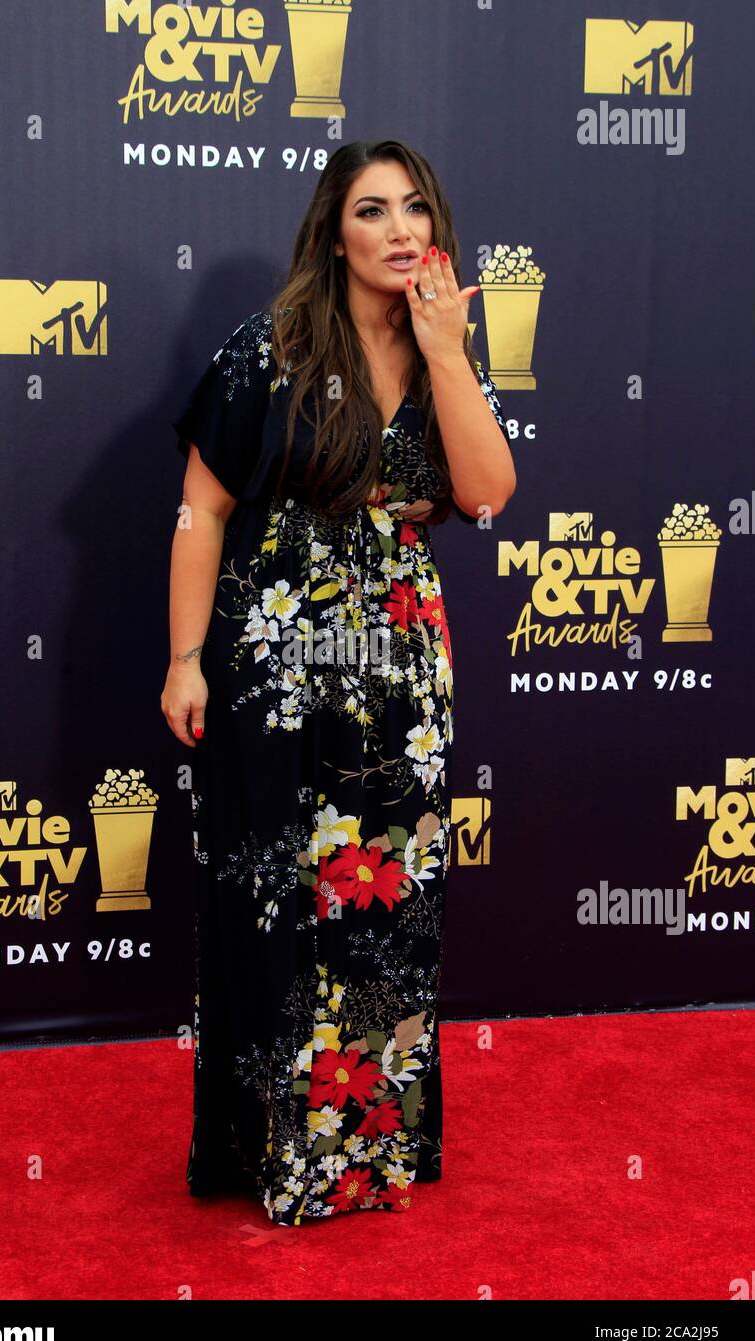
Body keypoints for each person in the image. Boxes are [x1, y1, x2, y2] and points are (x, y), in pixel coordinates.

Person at [162, 139, 515, 1226]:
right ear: (334, 230)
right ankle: (277, 1152)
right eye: (372, 210)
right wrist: (183, 657)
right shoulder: (266, 349)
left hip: (403, 682)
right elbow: (201, 512)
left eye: (415, 206)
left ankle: (370, 1150)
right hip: (275, 666)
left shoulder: (444, 340)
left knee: (386, 916)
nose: (400, 229)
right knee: (276, 907)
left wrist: (447, 356)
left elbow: (487, 493)